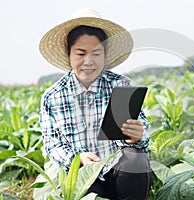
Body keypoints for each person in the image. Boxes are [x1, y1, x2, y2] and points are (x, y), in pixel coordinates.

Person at [39, 8, 152, 199]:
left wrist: (137, 136)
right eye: (81, 53)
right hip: (83, 177)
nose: (88, 62)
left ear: (105, 55)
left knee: (135, 160)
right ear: (69, 54)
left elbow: (142, 131)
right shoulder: (53, 97)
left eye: (96, 53)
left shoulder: (120, 84)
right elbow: (52, 145)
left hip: (119, 172)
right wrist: (77, 159)